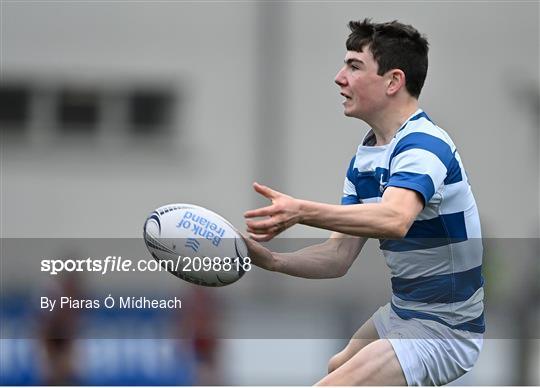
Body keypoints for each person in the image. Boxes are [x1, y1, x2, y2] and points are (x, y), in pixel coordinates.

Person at [243, 19, 484, 386]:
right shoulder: (364, 159)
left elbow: (395, 219)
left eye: (354, 66)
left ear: (393, 81)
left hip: (445, 329)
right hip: (404, 313)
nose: (339, 78)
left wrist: (301, 211)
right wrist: (272, 260)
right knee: (337, 369)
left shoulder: (424, 144)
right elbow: (338, 257)